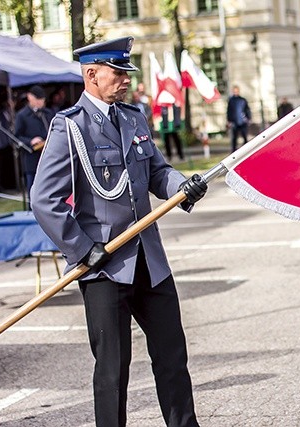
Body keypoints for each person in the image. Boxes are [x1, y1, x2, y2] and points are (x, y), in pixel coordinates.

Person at [30, 37, 207, 427]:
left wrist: (181, 186)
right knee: (113, 371)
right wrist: (81, 249)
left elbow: (156, 171)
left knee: (173, 358)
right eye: (118, 72)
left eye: (127, 72)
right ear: (91, 74)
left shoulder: (133, 117)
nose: (126, 79)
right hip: (104, 265)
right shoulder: (69, 127)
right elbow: (44, 199)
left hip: (150, 260)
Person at [14, 84, 53, 198]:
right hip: (31, 158)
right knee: (33, 190)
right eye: (38, 99)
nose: (40, 102)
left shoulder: (47, 113)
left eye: (42, 100)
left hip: (47, 157)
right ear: (30, 97)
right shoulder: (22, 115)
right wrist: (30, 141)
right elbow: (17, 137)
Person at [226, 85, 251, 151]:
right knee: (234, 138)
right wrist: (229, 120)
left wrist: (248, 118)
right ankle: (233, 150)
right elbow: (229, 111)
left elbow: (247, 110)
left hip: (242, 121)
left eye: (236, 91)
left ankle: (247, 149)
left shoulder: (242, 100)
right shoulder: (231, 101)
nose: (235, 92)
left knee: (244, 136)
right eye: (234, 91)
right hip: (234, 122)